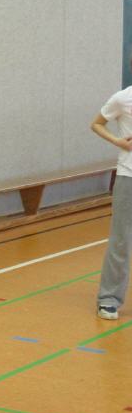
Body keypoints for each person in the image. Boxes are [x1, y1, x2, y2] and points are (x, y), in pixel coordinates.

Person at [91, 61, 132, 320]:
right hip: (129, 175)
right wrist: (118, 141)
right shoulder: (123, 98)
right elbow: (97, 124)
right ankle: (109, 298)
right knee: (121, 239)